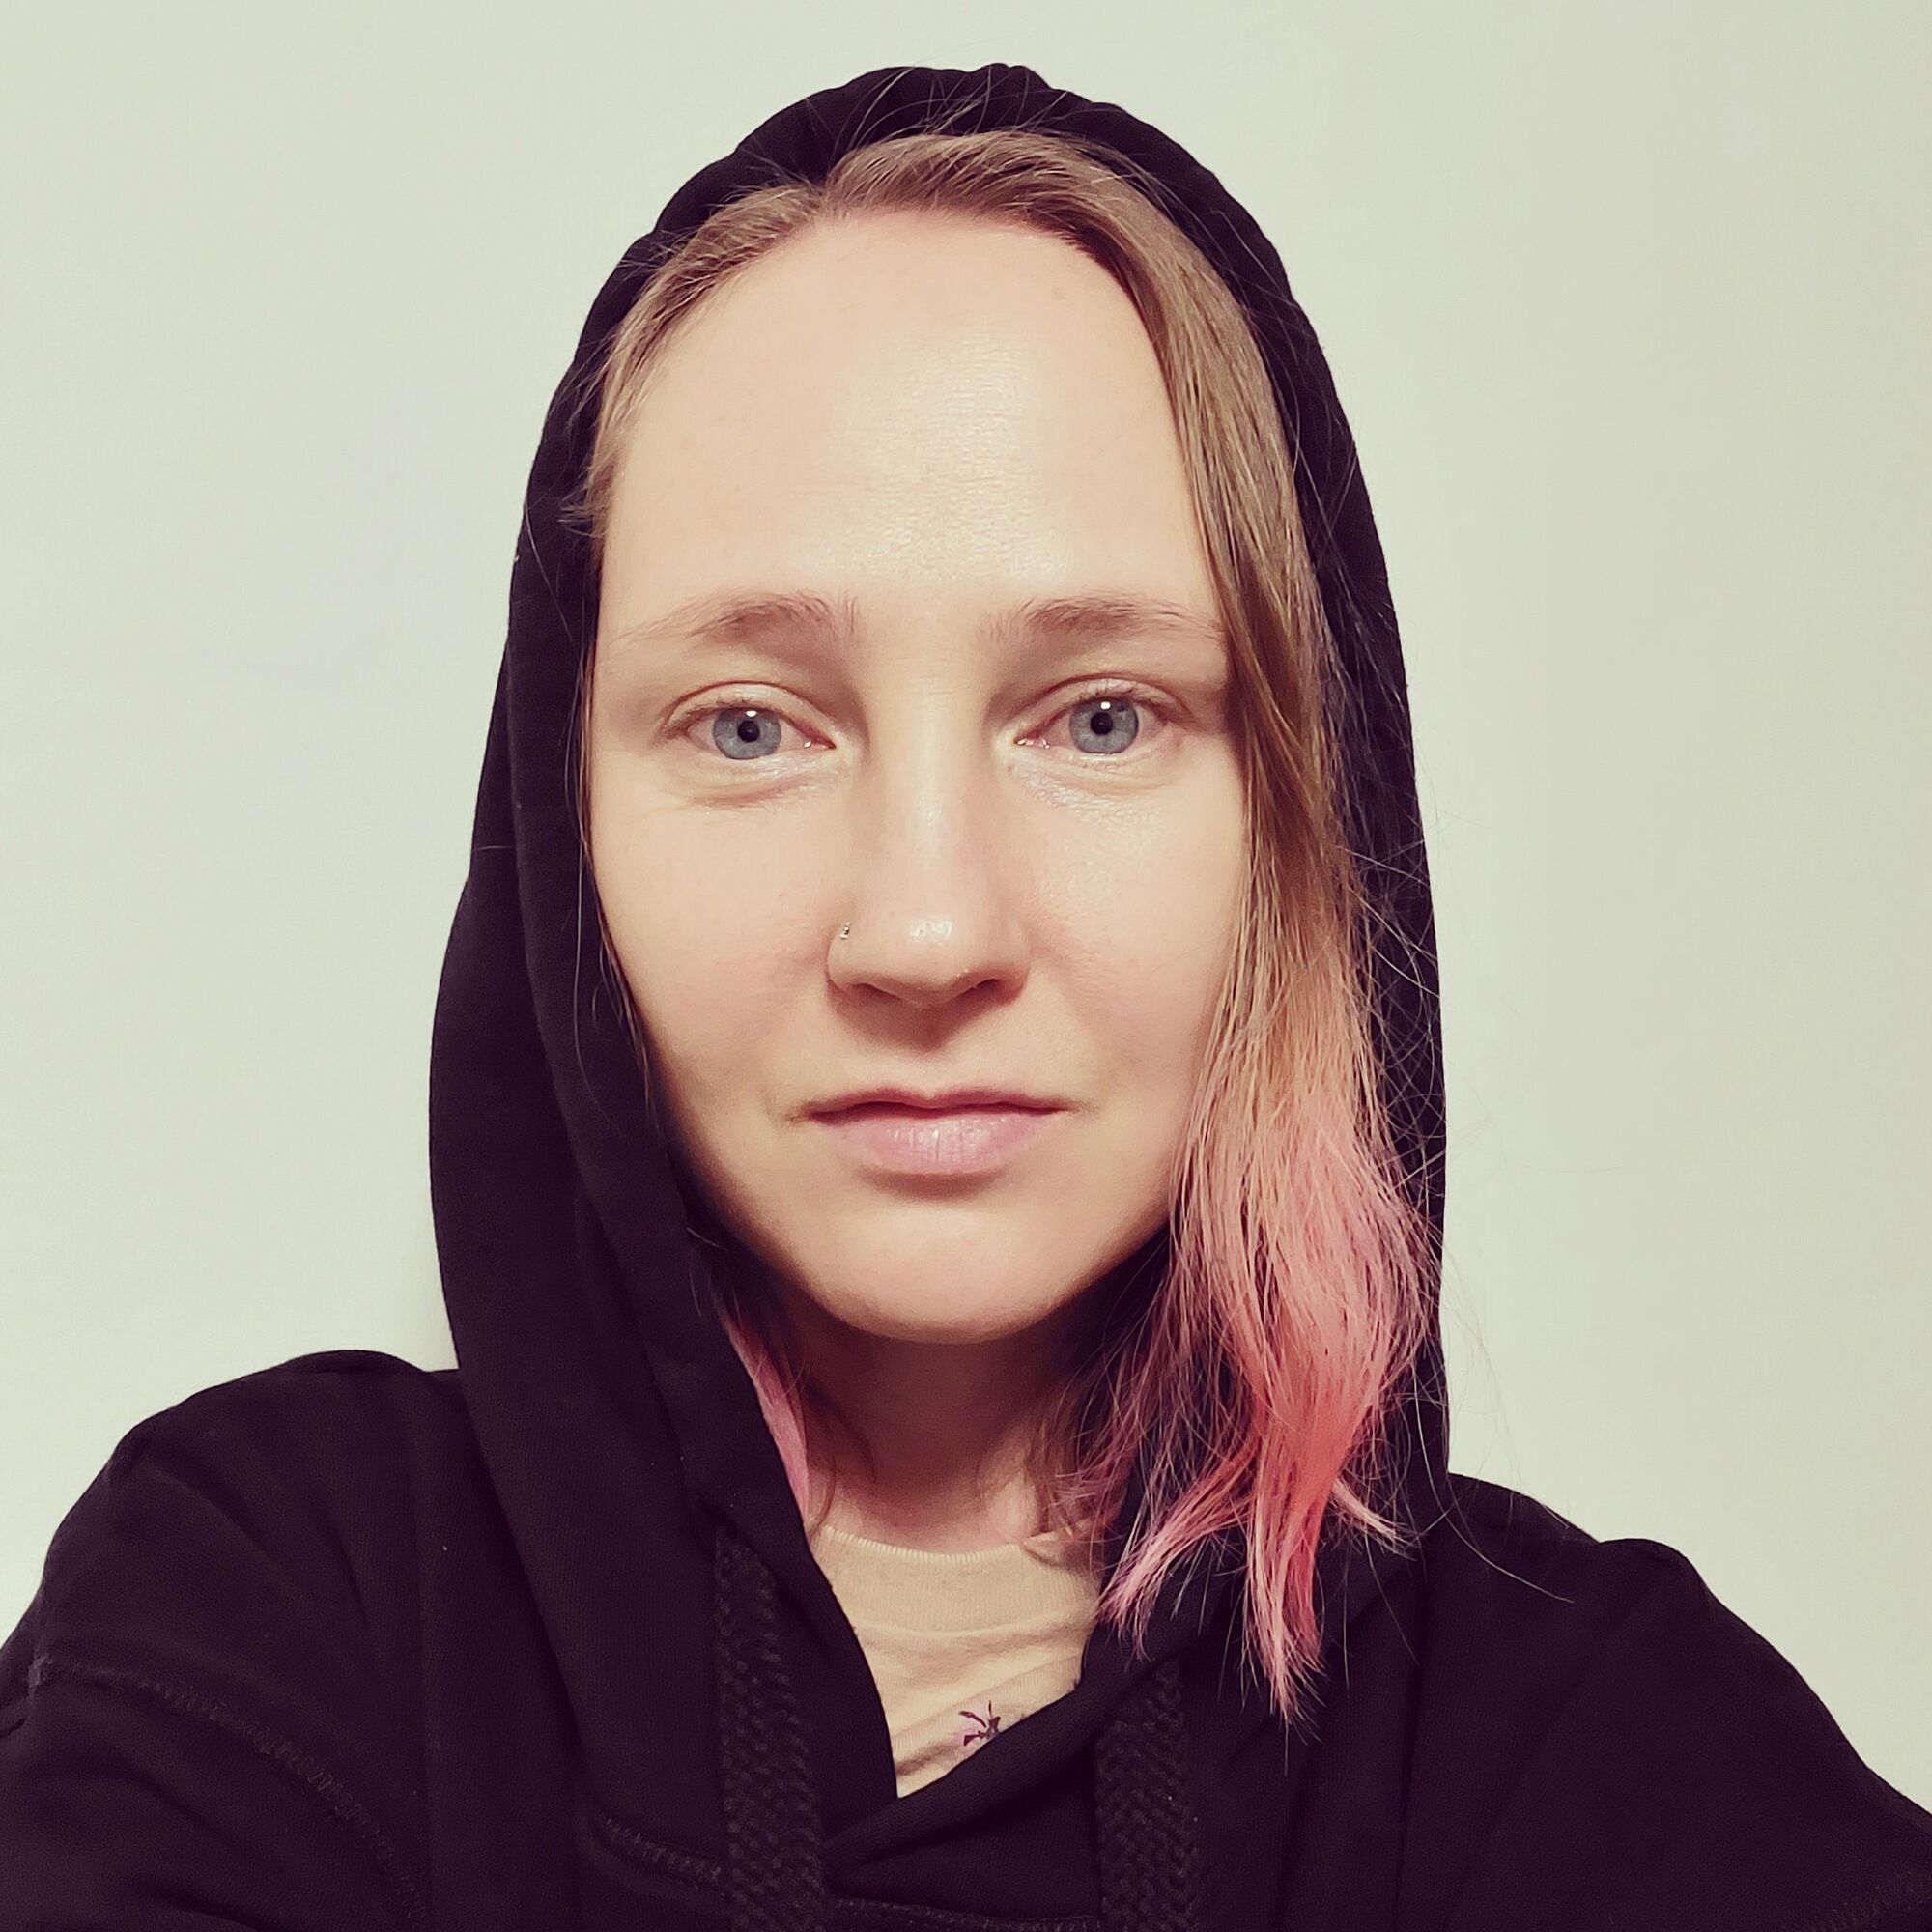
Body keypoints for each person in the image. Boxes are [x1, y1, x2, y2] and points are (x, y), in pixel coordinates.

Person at [2, 58, 1927, 1932]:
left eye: (1101, 717)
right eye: (749, 724)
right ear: (559, 828)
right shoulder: (265, 1615)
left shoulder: (1598, 1750)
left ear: (1296, 820)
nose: (925, 934)